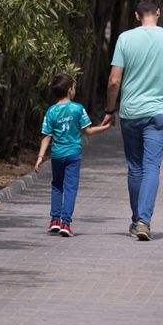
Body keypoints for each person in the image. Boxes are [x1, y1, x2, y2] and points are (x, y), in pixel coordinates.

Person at [105, 0, 163, 241]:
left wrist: (109, 111)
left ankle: (136, 220)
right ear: (159, 12)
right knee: (152, 166)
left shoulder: (125, 39)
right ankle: (143, 221)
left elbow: (114, 80)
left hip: (131, 112)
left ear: (137, 15)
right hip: (160, 113)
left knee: (135, 167)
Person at [34, 73, 112, 238]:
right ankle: (66, 223)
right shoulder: (77, 109)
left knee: (57, 186)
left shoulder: (51, 111)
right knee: (70, 189)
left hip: (57, 155)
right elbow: (88, 130)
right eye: (74, 87)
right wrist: (105, 128)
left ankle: (54, 220)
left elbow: (46, 136)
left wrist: (40, 157)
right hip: (73, 155)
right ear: (70, 90)